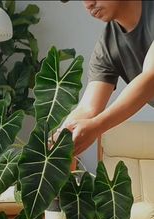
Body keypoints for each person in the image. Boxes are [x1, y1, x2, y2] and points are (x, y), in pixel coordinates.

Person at [59, 0, 154, 154]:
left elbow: (151, 78)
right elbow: (88, 109)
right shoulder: (107, 48)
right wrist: (61, 137)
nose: (88, 4)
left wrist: (97, 125)